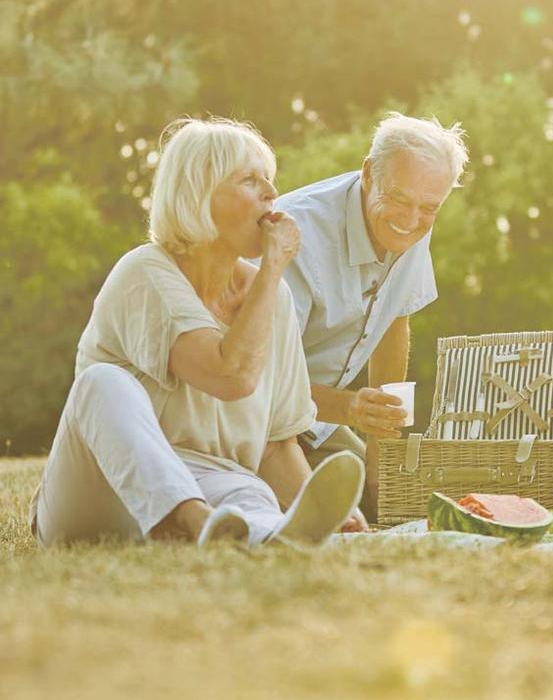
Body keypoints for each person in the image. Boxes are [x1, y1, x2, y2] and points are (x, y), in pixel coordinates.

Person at [29, 117, 366, 549]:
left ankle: (274, 534)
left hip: (214, 483)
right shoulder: (145, 272)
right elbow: (231, 376)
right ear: (197, 194)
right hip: (101, 488)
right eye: (249, 180)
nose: (271, 193)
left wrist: (325, 512)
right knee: (102, 383)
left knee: (251, 493)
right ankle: (192, 520)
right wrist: (274, 266)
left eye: (270, 180)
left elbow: (276, 447)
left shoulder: (271, 298)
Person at [275, 113, 468, 509]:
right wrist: (349, 408)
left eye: (429, 208)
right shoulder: (298, 235)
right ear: (368, 174)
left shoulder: (412, 223)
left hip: (319, 422)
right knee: (321, 511)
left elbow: (394, 323)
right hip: (257, 421)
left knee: (386, 500)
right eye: (398, 199)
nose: (411, 221)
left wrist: (380, 449)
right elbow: (265, 380)